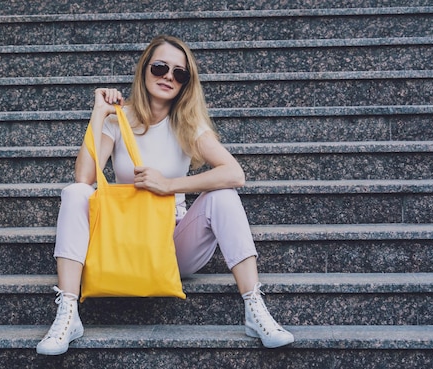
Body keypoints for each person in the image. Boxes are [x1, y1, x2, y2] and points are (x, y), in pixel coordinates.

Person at [36, 34, 294, 356]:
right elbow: (84, 178)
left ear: (186, 83)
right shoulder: (119, 120)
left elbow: (234, 173)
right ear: (144, 69)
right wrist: (99, 114)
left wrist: (169, 185)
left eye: (179, 73)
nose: (168, 77)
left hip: (172, 245)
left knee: (224, 196)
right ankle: (68, 312)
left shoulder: (187, 124)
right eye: (160, 67)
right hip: (122, 242)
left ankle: (255, 309)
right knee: (75, 192)